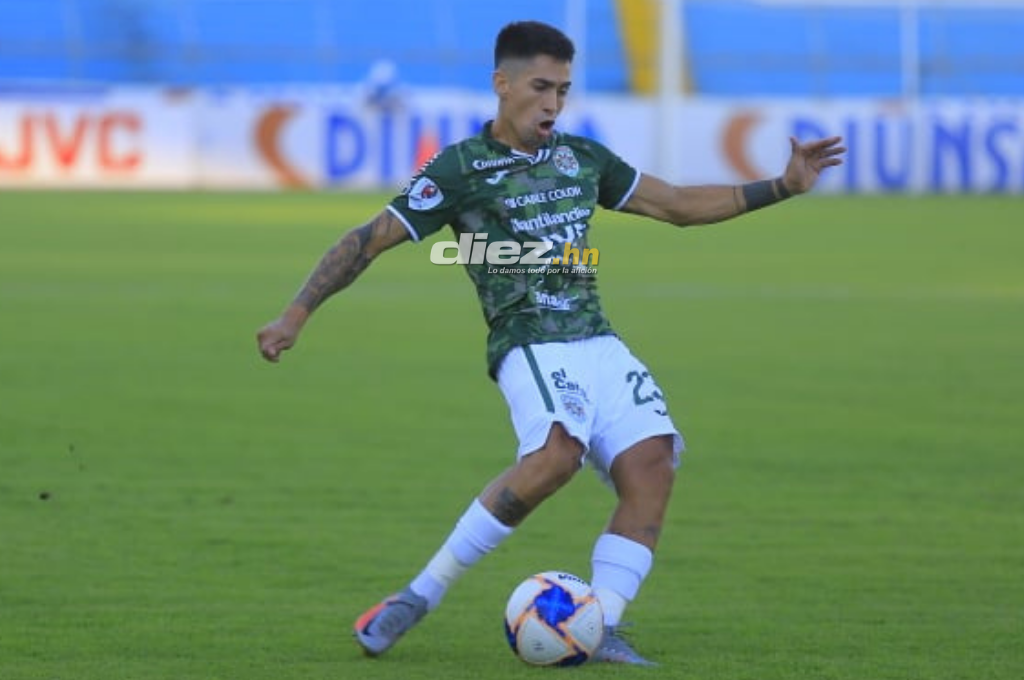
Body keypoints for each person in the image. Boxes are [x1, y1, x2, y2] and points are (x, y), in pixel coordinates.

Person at [256, 20, 844, 666]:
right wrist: (296, 313)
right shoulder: (460, 168)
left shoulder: (581, 159)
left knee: (652, 466)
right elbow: (370, 238)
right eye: (540, 88)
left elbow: (675, 204)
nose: (553, 105)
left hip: (598, 340)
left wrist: (782, 186)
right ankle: (418, 596)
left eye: (563, 90)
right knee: (556, 457)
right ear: (501, 85)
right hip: (530, 341)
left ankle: (598, 626)